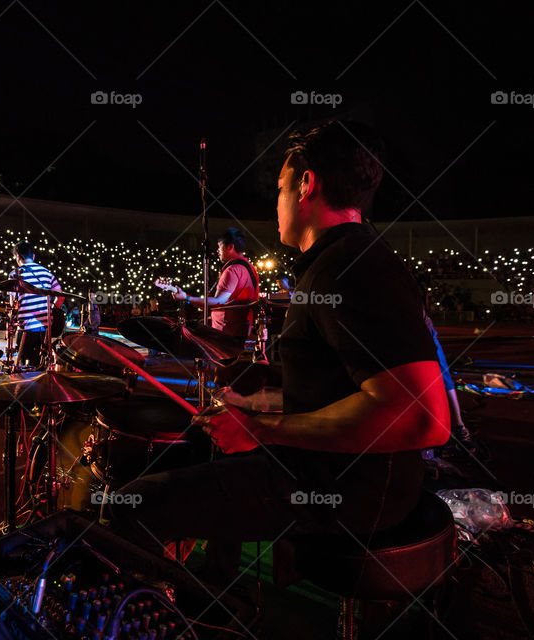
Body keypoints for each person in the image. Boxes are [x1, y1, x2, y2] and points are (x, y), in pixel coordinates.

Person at [110, 121, 451, 587]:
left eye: (279, 188)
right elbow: (340, 379)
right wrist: (260, 388)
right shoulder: (341, 260)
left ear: (306, 184)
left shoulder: (349, 268)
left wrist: (262, 427)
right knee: (209, 450)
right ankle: (218, 600)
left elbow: (422, 416)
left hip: (347, 489)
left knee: (136, 506)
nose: (276, 203)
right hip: (333, 471)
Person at [172, 228, 260, 337]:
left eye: (219, 246)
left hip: (225, 332)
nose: (217, 250)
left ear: (230, 247)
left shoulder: (232, 270)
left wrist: (187, 298)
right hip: (241, 328)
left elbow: (218, 301)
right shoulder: (249, 267)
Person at [8, 241, 63, 368]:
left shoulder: (16, 273)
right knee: (42, 365)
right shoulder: (47, 273)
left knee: (24, 367)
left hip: (26, 328)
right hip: (45, 328)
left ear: (18, 257)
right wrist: (50, 310)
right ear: (33, 256)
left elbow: (13, 304)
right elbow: (60, 296)